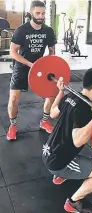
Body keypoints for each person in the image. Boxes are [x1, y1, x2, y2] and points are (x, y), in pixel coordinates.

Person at [42, 68, 92, 213]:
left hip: (47, 150)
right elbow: (78, 140)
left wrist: (60, 91)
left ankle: (59, 176)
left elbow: (53, 112)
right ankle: (74, 202)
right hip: (58, 160)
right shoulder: (85, 108)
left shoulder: (70, 97)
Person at [7, 0, 57, 140]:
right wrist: (30, 64)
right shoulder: (21, 30)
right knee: (14, 98)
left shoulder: (48, 31)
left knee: (51, 94)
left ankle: (45, 121)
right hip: (22, 67)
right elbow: (13, 52)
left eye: (43, 13)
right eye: (38, 13)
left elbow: (52, 51)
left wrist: (47, 63)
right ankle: (12, 126)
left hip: (40, 69)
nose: (41, 16)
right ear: (31, 13)